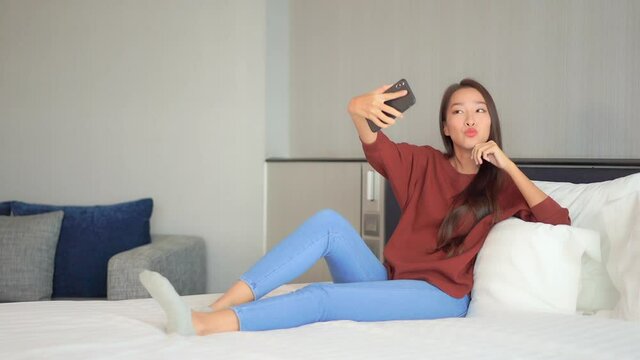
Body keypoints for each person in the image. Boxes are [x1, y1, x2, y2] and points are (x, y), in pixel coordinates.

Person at [139, 78, 570, 336]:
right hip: (390, 280)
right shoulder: (424, 162)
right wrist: (355, 110)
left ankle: (202, 325)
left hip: (439, 297)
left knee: (320, 296)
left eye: (480, 110)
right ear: (446, 126)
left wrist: (509, 165)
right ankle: (219, 304)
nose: (470, 118)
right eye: (459, 111)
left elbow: (560, 220)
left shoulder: (502, 186)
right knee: (328, 223)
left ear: (491, 121)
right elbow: (377, 148)